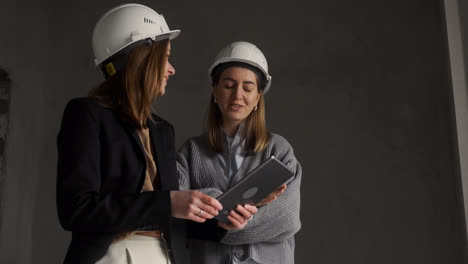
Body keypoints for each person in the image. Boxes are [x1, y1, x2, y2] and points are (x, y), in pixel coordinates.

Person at [56, 4, 225, 264]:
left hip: (161, 255)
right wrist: (167, 203)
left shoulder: (162, 130)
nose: (171, 69)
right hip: (110, 256)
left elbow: (171, 218)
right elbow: (76, 210)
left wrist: (222, 225)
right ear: (141, 59)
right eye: (165, 57)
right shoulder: (87, 114)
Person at [177, 41, 302, 264]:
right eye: (229, 85)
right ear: (215, 90)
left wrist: (218, 223)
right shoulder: (190, 152)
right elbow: (178, 211)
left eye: (247, 88)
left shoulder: (279, 150)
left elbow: (286, 219)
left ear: (258, 97)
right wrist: (255, 203)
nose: (237, 95)